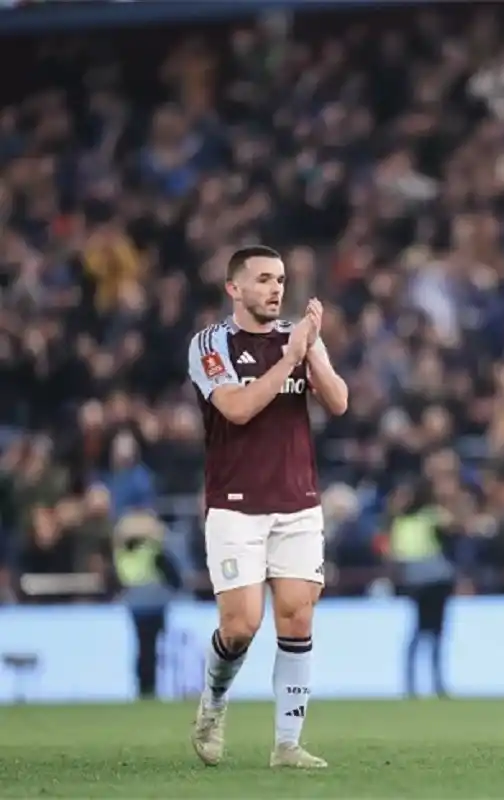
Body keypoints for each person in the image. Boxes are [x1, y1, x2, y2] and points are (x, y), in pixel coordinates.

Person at [186, 245, 348, 769]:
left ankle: (287, 744)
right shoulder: (212, 344)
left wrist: (310, 350)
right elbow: (236, 408)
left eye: (279, 279)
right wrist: (289, 357)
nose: (275, 288)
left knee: (298, 615)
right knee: (240, 625)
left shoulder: (296, 336)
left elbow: (339, 401)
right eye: (262, 280)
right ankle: (212, 704)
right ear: (234, 288)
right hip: (235, 504)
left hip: (297, 501)